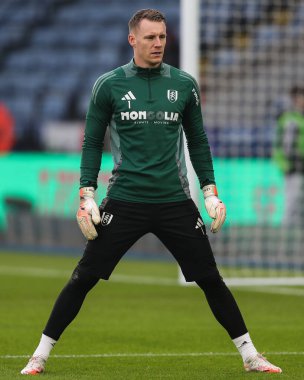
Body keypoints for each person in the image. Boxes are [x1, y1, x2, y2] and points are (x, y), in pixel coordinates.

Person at [21, 9, 282, 375]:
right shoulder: (108, 85)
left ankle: (251, 356)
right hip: (125, 200)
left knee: (210, 279)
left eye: (162, 36)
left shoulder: (184, 84)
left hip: (175, 201)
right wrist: (87, 194)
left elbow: (198, 141)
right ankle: (40, 355)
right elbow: (92, 142)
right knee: (84, 277)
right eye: (150, 37)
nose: (158, 43)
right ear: (133, 40)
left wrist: (209, 192)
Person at [273, 85, 304, 226]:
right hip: (294, 165)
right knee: (292, 202)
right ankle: (286, 233)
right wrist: (287, 164)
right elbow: (284, 145)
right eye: (299, 97)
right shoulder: (290, 118)